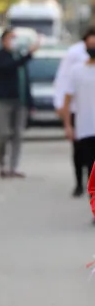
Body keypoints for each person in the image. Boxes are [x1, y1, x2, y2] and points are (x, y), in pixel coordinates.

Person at [0, 27, 39, 178]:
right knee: (3, 133)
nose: (13, 41)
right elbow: (7, 68)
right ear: (3, 40)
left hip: (21, 102)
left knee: (18, 134)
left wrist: (30, 103)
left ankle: (14, 166)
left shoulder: (19, 56)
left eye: (15, 38)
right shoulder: (1, 56)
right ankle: (2, 164)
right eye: (10, 38)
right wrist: (28, 55)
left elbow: (25, 81)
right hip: (4, 100)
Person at [55, 28, 95, 197]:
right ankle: (80, 184)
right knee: (83, 159)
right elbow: (67, 96)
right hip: (83, 124)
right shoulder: (76, 70)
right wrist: (67, 125)